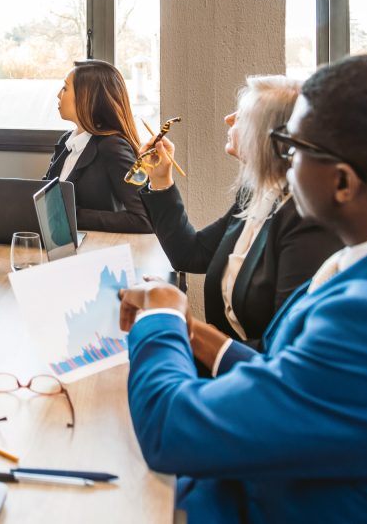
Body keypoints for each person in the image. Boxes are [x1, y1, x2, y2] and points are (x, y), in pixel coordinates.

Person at [119, 54, 367, 523]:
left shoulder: (366, 319)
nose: (285, 159)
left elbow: (171, 432)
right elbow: (290, 377)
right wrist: (191, 330)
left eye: (292, 146)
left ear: (342, 182)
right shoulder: (354, 261)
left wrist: (157, 319)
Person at [140, 75, 341, 351]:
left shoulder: (305, 221)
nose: (228, 119)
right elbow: (190, 253)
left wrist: (190, 331)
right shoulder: (254, 194)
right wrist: (161, 180)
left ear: (268, 135)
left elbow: (286, 349)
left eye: (243, 115)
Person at [42, 60, 152, 233]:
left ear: (86, 96)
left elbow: (145, 218)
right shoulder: (66, 142)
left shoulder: (114, 147)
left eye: (65, 88)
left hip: (98, 252)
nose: (58, 95)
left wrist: (73, 216)